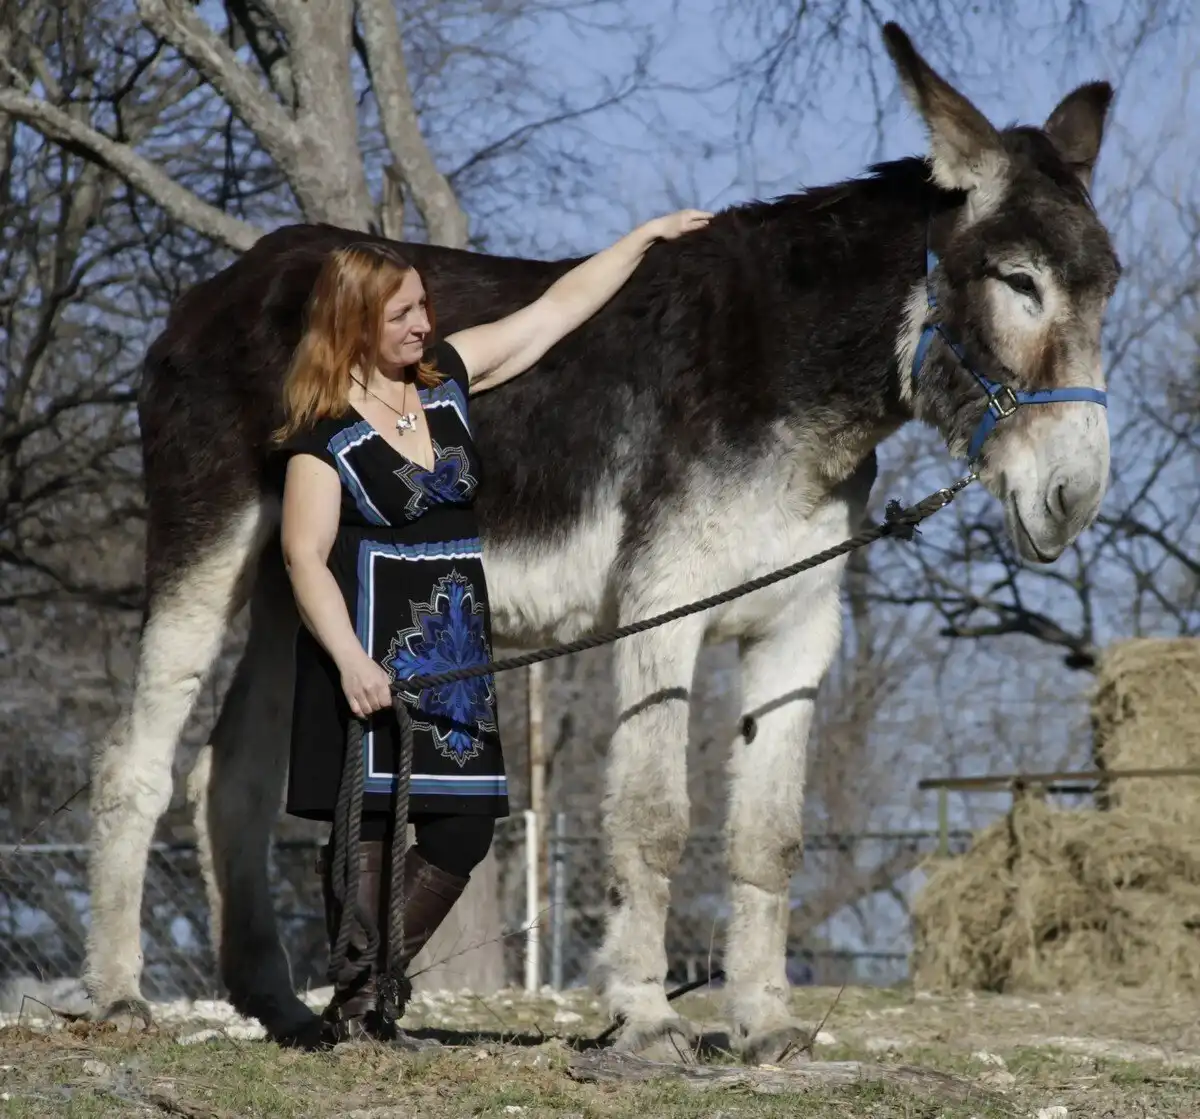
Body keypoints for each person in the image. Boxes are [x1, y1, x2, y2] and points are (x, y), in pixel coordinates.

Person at [272, 208, 712, 1043]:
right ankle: (361, 1014)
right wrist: (352, 660)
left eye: (423, 306)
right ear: (353, 323)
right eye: (401, 313)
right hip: (362, 655)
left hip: (454, 656)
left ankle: (367, 991)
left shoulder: (446, 382)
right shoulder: (319, 432)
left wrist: (641, 240)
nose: (422, 323)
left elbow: (554, 311)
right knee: (367, 827)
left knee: (462, 827)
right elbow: (304, 557)